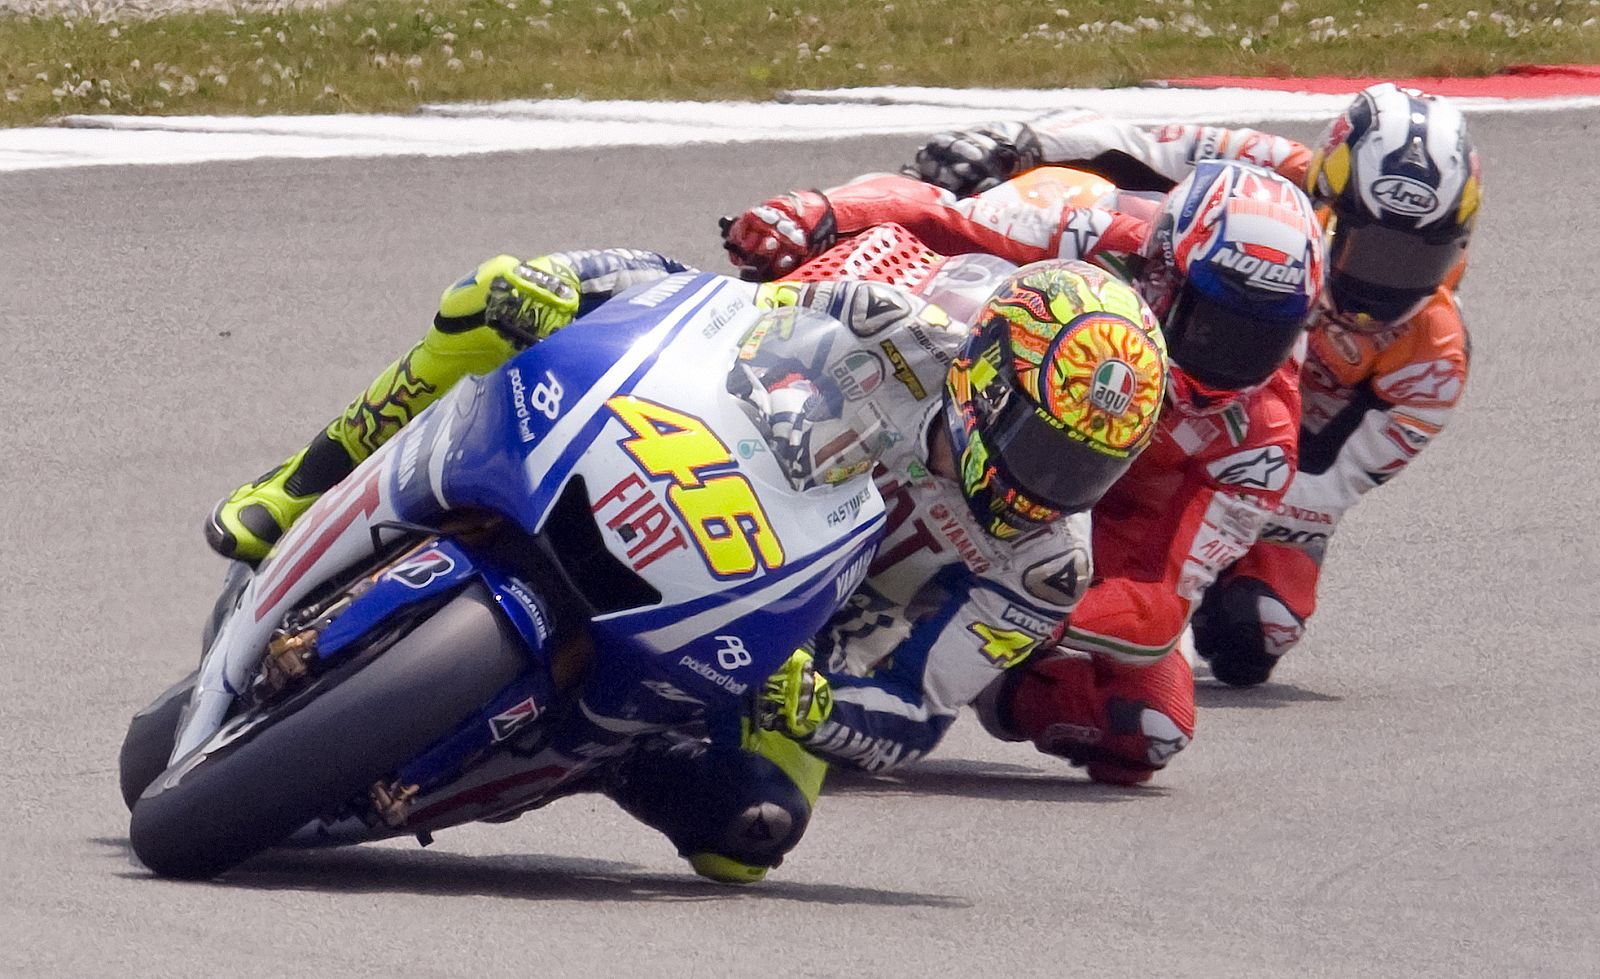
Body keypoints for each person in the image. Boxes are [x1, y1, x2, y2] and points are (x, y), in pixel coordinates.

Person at [205, 247, 1168, 876]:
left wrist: (824, 703)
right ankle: (298, 486)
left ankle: (600, 753)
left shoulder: (1045, 570)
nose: (1055, 484)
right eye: (1046, 448)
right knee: (489, 298)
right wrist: (578, 284)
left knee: (752, 835)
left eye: (1091, 468)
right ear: (989, 379)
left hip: (802, 645)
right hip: (707, 491)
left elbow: (920, 709)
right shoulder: (890, 327)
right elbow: (710, 312)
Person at [720, 157, 1324, 782]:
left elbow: (1160, 603)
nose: (1227, 360)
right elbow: (933, 211)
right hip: (964, 394)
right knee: (804, 280)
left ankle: (950, 662)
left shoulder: (1263, 440)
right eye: (1214, 324)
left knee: (1150, 722)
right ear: (1163, 273)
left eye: (1262, 338)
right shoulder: (1081, 224)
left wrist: (1026, 601)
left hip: (1078, 535)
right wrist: (818, 213)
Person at [909, 83, 1478, 685]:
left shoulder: (1436, 360)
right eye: (1371, 249)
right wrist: (1012, 147)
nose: (1379, 284)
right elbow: (1131, 144)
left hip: (1271, 469)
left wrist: (1201, 488)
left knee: (1257, 630)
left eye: (1417, 260)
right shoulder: (1269, 175)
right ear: (1326, 201)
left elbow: (1326, 489)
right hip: (1155, 357)